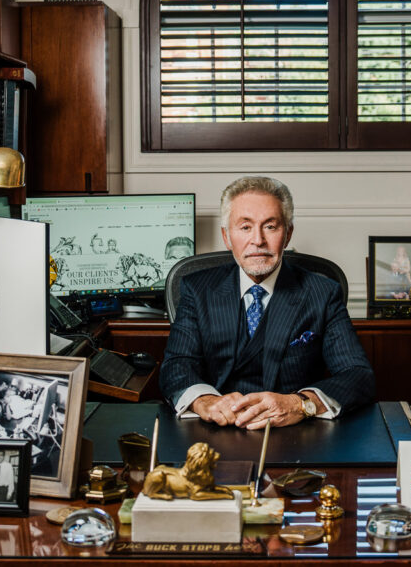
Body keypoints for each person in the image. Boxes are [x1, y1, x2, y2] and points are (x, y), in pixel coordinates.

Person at [160, 176, 376, 430]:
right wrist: (204, 401)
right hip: (215, 430)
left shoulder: (323, 293)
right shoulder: (197, 289)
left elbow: (358, 375)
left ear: (288, 234)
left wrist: (299, 404)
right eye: (245, 227)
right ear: (227, 236)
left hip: (293, 433)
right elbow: (176, 365)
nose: (258, 240)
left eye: (270, 227)